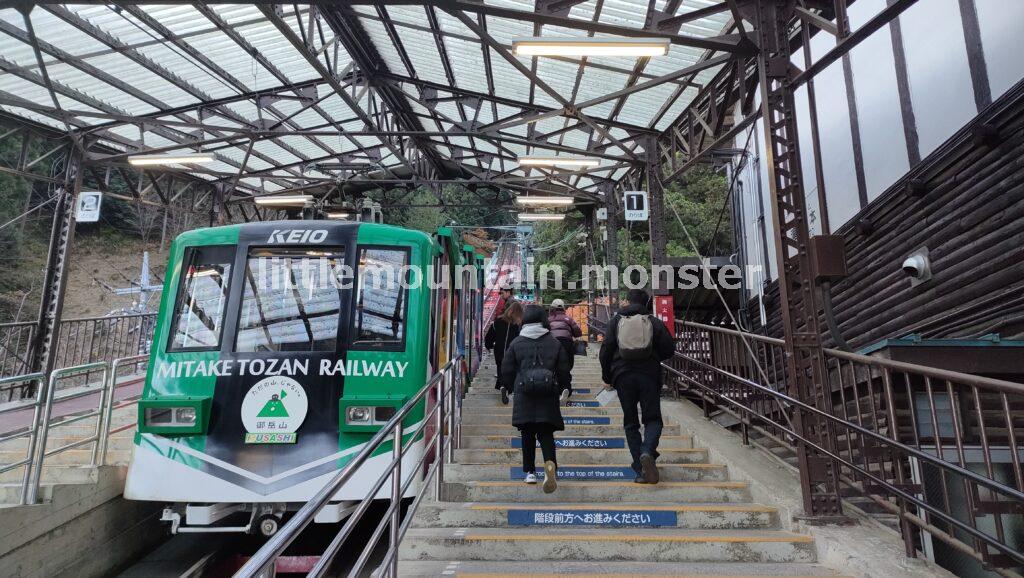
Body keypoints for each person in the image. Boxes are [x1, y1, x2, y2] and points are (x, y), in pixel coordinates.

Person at [599, 289, 675, 484]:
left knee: (631, 422)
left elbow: (605, 350)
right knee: (653, 419)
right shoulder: (652, 321)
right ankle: (647, 451)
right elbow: (669, 349)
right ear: (646, 303)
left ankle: (641, 468)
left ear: (626, 301)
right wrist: (653, 355)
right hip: (649, 375)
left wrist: (607, 376)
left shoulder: (616, 321)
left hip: (623, 377)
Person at [501, 304, 572, 494]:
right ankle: (550, 465)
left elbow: (507, 369)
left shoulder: (517, 342)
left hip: (524, 393)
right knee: (546, 433)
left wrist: (506, 387)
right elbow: (564, 369)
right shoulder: (554, 342)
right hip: (548, 393)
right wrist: (566, 387)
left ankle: (530, 472)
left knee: (527, 434)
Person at [485, 301, 523, 404]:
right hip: (514, 352)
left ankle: (502, 386)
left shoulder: (498, 322)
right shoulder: (520, 325)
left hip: (500, 351)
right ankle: (508, 388)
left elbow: (489, 336)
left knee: (501, 370)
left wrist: (488, 345)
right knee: (513, 371)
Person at [548, 299, 582, 369]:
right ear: (563, 308)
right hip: (566, 341)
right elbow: (577, 332)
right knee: (569, 358)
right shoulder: (568, 319)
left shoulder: (548, 319)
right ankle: (568, 370)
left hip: (552, 342)